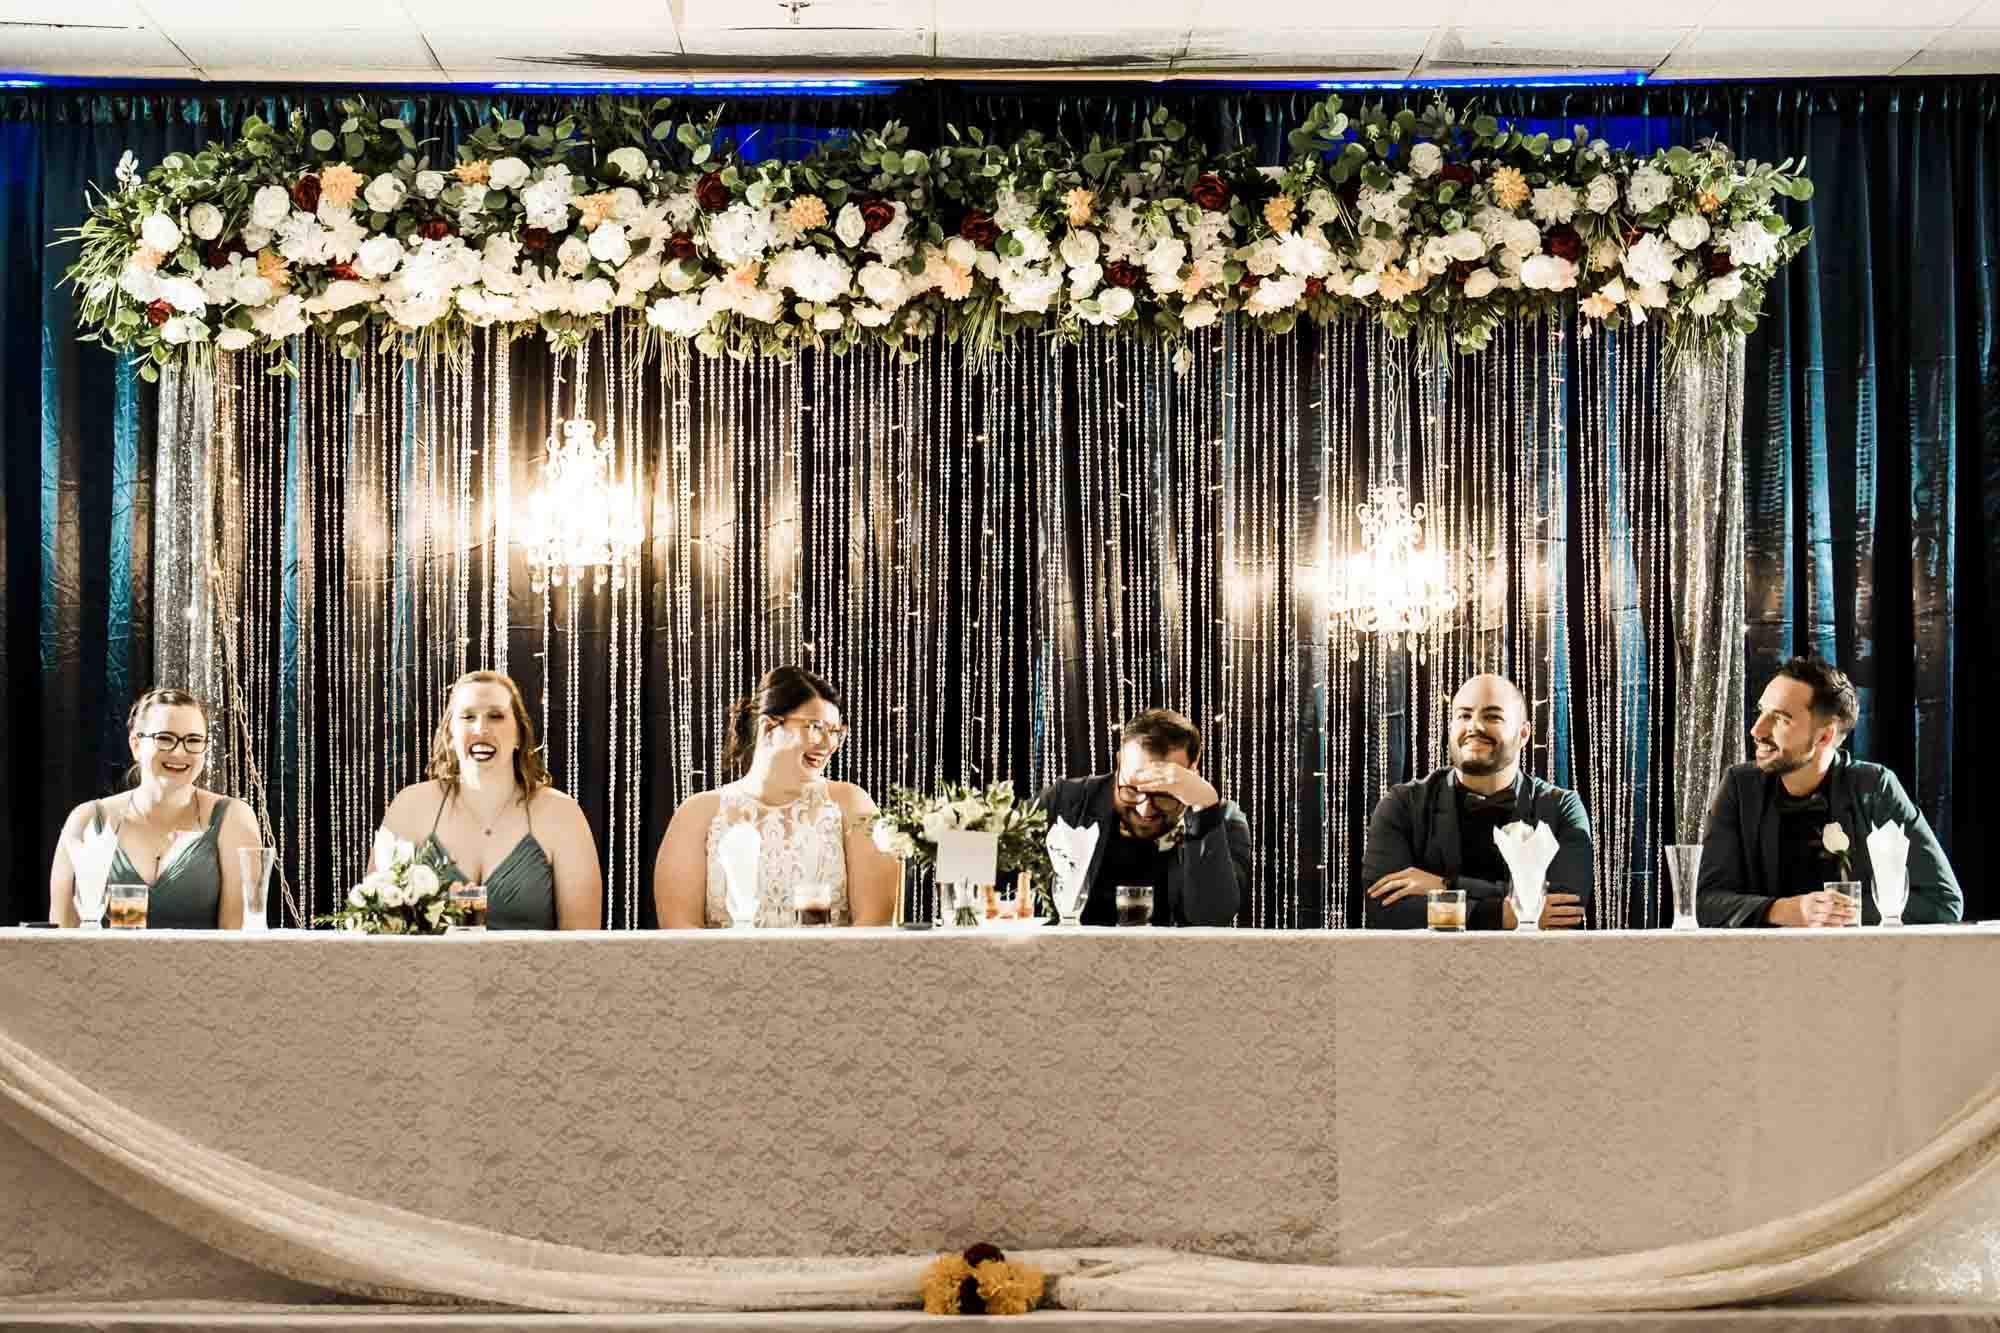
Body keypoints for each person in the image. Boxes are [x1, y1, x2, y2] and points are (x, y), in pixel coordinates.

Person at [1696, 656, 1961, 927]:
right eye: (1762, 711)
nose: (1756, 729)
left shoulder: (1874, 786)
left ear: (1824, 736)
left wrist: (1840, 913)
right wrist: (1792, 910)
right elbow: (1706, 902)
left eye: (1780, 719)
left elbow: (1943, 900)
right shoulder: (1739, 787)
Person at [652, 666, 899, 928]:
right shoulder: (697, 813)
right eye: (816, 727)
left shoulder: (852, 803)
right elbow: (679, 932)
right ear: (768, 727)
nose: (829, 744)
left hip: (834, 967)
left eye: (836, 731)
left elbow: (874, 924)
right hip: (721, 968)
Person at [1362, 673, 1592, 930]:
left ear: (1524, 734)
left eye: (1492, 716)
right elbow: (1385, 909)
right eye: (1464, 715)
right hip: (1427, 969)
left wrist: (1446, 886)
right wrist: (1501, 915)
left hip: (1535, 969)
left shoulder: (1562, 807)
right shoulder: (1402, 804)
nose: (1474, 726)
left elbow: (1565, 909)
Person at [376, 670, 602, 930]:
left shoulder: (561, 813)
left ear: (519, 734)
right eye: (468, 717)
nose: (481, 729)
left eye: (496, 716)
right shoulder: (410, 806)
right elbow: (376, 927)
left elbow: (583, 946)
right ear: (450, 734)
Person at [48, 687, 260, 929]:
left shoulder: (233, 818)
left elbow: (240, 946)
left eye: (193, 740)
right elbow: (61, 942)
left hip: (208, 967)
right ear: (136, 745)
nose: (180, 751)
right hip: (104, 967)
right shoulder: (87, 819)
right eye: (165, 738)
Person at [1033, 708, 1247, 927]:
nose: (1145, 810)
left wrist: (1204, 810)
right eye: (1132, 790)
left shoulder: (1223, 818)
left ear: (1192, 771)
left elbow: (1212, 918)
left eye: (1164, 794)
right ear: (1119, 763)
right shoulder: (1065, 802)